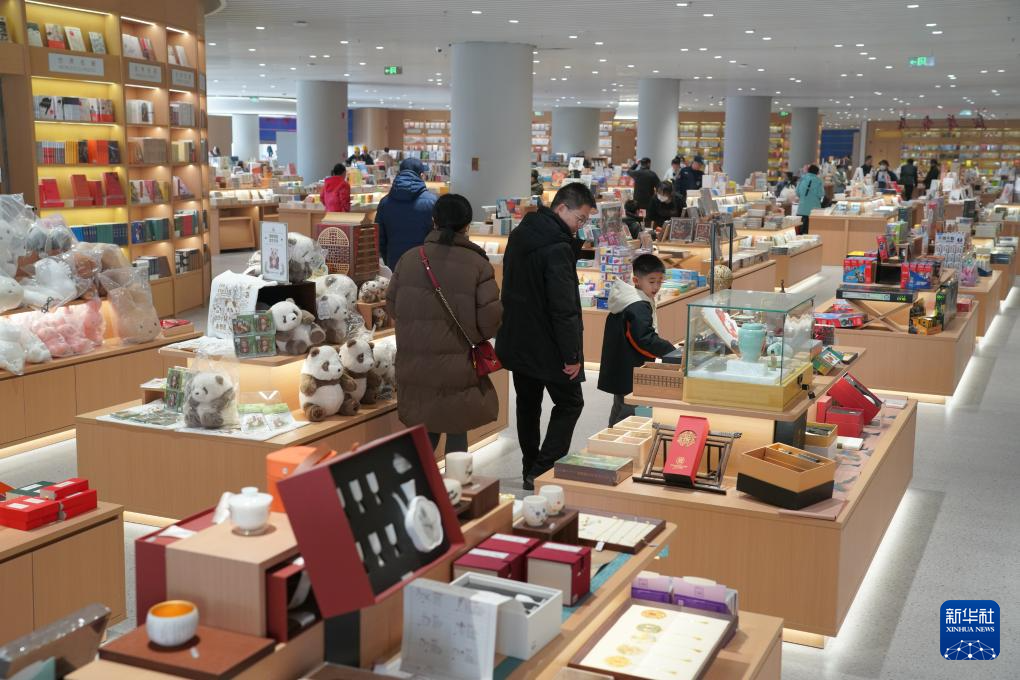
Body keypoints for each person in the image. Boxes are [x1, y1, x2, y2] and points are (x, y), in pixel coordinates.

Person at [496, 183, 597, 490]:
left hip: (519, 337)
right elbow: (563, 307)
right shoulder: (557, 247)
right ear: (562, 208)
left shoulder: (521, 234)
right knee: (571, 403)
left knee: (528, 404)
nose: (580, 226)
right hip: (550, 343)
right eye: (579, 219)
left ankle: (530, 467)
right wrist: (572, 355)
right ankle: (543, 468)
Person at [386, 194, 502, 455]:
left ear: (434, 221)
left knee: (424, 433)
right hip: (459, 362)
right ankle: (455, 480)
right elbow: (490, 321)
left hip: (415, 362)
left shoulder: (409, 259)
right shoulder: (478, 264)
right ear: (467, 225)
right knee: (457, 427)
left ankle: (421, 479)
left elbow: (392, 307)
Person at [597, 254, 676, 427]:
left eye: (660, 281)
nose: (656, 286)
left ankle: (611, 435)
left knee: (620, 405)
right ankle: (618, 440)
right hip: (630, 367)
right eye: (652, 281)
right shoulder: (638, 305)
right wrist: (670, 351)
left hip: (621, 364)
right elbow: (643, 338)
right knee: (628, 411)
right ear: (636, 280)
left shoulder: (630, 299)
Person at [376, 158, 438, 269]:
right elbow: (438, 237)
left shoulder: (385, 202)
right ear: (421, 175)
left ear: (399, 173)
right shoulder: (432, 202)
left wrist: (387, 260)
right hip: (425, 265)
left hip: (394, 264)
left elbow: (379, 239)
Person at [796, 164, 824, 235]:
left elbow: (797, 192)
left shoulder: (802, 179)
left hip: (802, 209)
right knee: (812, 233)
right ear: (817, 172)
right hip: (814, 211)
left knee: (801, 232)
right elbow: (821, 194)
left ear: (808, 170)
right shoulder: (818, 181)